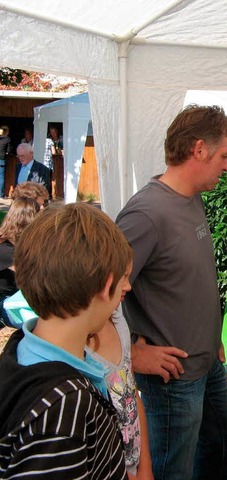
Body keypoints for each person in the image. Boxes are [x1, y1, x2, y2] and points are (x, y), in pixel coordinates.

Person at [116, 104, 227, 479]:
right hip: (172, 379)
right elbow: (97, 295)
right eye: (224, 156)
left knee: (223, 434)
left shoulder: (191, 197)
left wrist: (211, 334)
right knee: (174, 470)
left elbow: (188, 279)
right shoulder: (145, 214)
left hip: (206, 360)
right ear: (199, 149)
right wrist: (132, 354)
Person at [0, 202, 132, 478]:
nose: (128, 286)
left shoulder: (22, 349)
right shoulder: (63, 411)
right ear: (106, 286)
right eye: (123, 279)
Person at [86, 305, 153, 479]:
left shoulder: (118, 318)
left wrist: (146, 468)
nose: (128, 286)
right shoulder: (78, 350)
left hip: (136, 466)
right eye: (121, 278)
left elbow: (133, 396)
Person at [0, 197, 40, 328]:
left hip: (14, 301)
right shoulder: (6, 250)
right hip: (5, 305)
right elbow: (33, 280)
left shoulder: (17, 246)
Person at [0, 125, 10, 197]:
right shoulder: (7, 139)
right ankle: (1, 194)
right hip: (2, 158)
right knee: (1, 177)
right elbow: (9, 151)